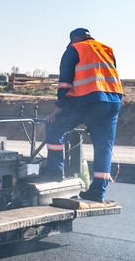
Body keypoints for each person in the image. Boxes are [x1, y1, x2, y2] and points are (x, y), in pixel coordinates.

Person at [43, 28, 124, 202]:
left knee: (54, 126)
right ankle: (98, 192)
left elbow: (64, 83)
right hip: (113, 102)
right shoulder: (107, 49)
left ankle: (55, 171)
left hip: (88, 101)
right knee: (104, 147)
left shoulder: (75, 49)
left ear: (77, 38)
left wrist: (61, 108)